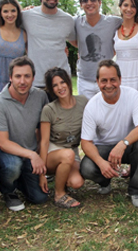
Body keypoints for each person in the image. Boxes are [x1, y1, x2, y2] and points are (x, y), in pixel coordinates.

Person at [80, 60, 138, 208]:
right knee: (86, 167)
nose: (109, 84)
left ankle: (136, 189)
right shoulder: (92, 106)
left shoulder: (133, 96)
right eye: (104, 80)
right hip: (104, 148)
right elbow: (86, 142)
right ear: (97, 82)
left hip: (128, 146)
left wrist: (122, 143)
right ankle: (105, 181)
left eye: (113, 79)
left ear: (120, 79)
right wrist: (101, 163)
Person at [0, 56, 49, 211]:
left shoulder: (40, 97)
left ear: (33, 78)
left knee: (40, 198)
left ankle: (21, 181)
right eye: (18, 76)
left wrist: (38, 162)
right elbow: (3, 143)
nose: (22, 81)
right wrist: (32, 155)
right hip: (8, 154)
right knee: (13, 165)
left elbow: (43, 131)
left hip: (30, 153)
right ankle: (8, 190)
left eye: (27, 76)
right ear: (10, 78)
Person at [39, 68, 88, 208]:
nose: (60, 87)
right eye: (55, 85)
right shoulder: (49, 109)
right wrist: (41, 173)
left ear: (68, 82)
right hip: (53, 150)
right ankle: (59, 194)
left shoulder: (83, 102)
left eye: (62, 82)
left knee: (77, 182)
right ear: (51, 89)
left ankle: (60, 175)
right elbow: (44, 142)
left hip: (71, 150)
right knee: (67, 155)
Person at [21, 0, 75, 89]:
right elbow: (4, 24)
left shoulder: (68, 19)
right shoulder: (26, 16)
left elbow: (77, 42)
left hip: (61, 82)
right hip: (36, 81)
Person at [70, 0, 122, 99]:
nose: (89, 3)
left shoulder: (113, 22)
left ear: (99, 2)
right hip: (84, 80)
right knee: (86, 114)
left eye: (93, 0)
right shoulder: (76, 22)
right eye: (85, 1)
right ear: (81, 5)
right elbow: (71, 38)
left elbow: (132, 19)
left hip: (106, 81)